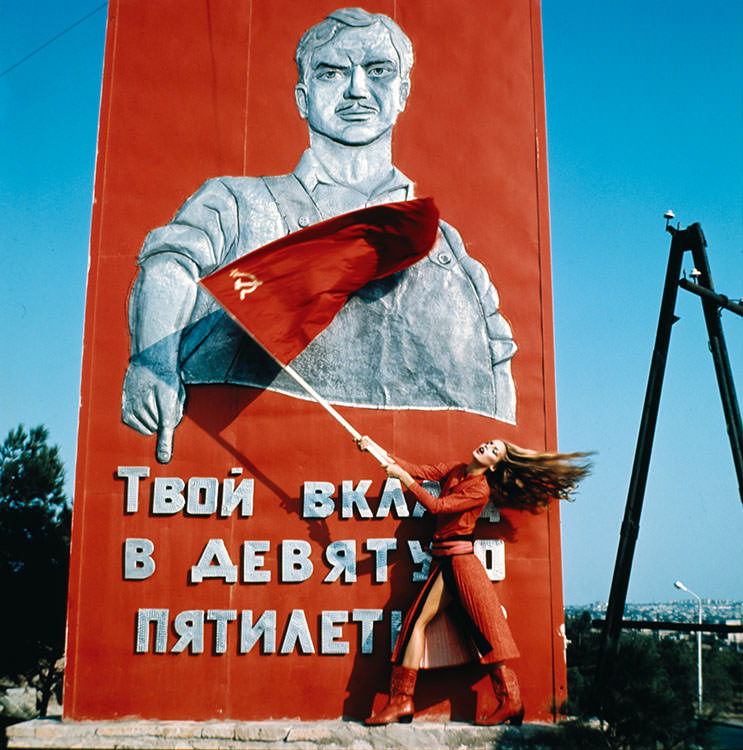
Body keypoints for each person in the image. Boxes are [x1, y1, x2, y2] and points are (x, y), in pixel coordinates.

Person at [122, 8, 517, 464]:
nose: (356, 89)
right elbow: (169, 263)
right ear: (302, 98)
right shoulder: (238, 203)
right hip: (244, 476)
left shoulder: (446, 250)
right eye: (332, 72)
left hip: (407, 505)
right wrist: (152, 361)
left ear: (403, 92)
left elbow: (497, 386)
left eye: (378, 70)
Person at [356, 434, 590, 726]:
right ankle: (409, 701)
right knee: (468, 634)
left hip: (461, 565)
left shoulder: (480, 489)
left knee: (476, 635)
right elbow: (418, 470)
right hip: (447, 563)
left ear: (494, 466)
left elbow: (438, 507)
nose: (487, 447)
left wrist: (402, 477)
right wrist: (374, 448)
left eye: (494, 451)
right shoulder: (456, 469)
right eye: (490, 443)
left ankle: (410, 700)